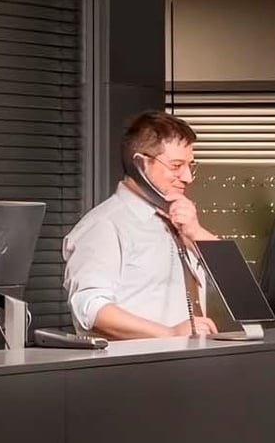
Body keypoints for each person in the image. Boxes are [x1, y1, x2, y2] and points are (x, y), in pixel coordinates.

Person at [62, 111, 221, 339]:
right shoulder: (105, 225)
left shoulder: (179, 221)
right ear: (141, 164)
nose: (188, 177)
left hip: (189, 365)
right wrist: (169, 333)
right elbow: (90, 307)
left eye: (190, 165)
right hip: (136, 368)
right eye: (176, 166)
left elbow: (237, 287)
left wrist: (196, 233)